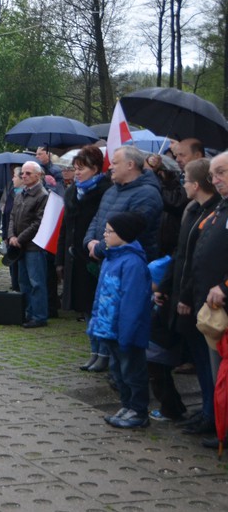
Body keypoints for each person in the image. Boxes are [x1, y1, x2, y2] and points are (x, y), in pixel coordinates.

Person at [176, 152, 228, 440]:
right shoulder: (220, 208)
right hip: (206, 302)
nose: (215, 179)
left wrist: (225, 286)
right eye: (212, 174)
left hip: (221, 304)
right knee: (213, 368)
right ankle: (215, 417)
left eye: (221, 173)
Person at [91, 212, 152, 429]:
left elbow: (132, 303)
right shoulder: (112, 258)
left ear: (123, 234)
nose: (104, 235)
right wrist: (96, 321)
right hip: (110, 328)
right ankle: (127, 405)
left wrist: (127, 333)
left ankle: (139, 410)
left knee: (133, 372)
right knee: (118, 372)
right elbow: (101, 294)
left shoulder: (132, 263)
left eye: (109, 231)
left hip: (126, 332)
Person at [55, 146, 113, 370]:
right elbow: (65, 228)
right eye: (76, 168)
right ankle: (94, 351)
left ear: (96, 169)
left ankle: (104, 353)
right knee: (86, 308)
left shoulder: (105, 192)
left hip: (94, 258)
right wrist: (60, 260)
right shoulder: (73, 192)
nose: (77, 173)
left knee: (98, 307)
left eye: (82, 169)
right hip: (75, 258)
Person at [84, 146, 164, 262]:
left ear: (130, 165)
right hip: (109, 263)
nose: (110, 167)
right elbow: (97, 218)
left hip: (130, 266)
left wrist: (98, 249)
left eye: (115, 163)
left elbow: (129, 232)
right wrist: (89, 241)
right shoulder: (111, 191)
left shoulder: (147, 194)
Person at [9, 161, 49, 328]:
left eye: (28, 173)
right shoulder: (20, 194)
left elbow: (38, 223)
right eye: (22, 173)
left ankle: (39, 316)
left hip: (33, 246)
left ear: (38, 175)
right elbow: (12, 216)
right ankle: (27, 312)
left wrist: (19, 238)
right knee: (23, 281)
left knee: (36, 282)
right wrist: (11, 236)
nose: (23, 176)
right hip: (20, 245)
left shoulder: (42, 195)